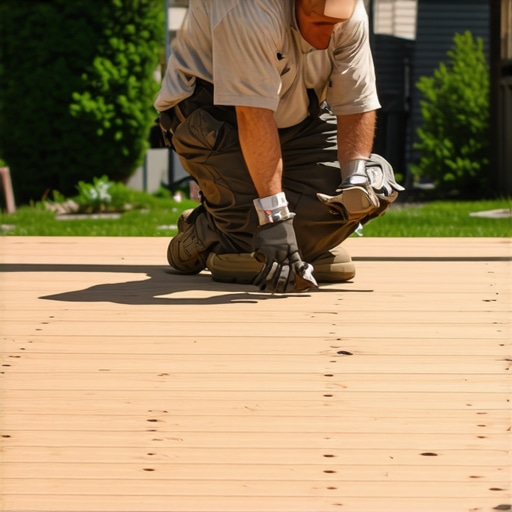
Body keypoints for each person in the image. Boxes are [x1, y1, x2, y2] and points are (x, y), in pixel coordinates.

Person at [155, 0, 404, 293]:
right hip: (216, 119)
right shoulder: (248, 12)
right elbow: (253, 116)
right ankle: (209, 230)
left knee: (375, 183)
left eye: (335, 25)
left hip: (300, 117)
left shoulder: (351, 14)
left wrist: (354, 180)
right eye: (319, 24)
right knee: (267, 233)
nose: (328, 37)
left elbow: (355, 102)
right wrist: (274, 219)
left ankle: (264, 240)